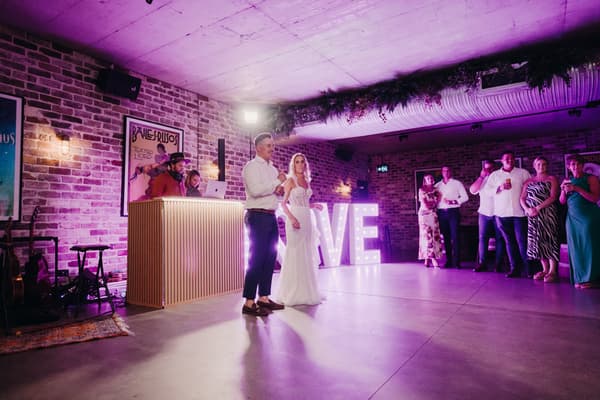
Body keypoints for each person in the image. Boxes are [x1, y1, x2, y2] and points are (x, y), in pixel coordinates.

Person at [241, 133, 287, 316]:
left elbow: (276, 192)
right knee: (256, 259)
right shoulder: (250, 167)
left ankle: (264, 298)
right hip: (257, 216)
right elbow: (256, 190)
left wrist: (280, 188)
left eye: (272, 145)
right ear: (258, 147)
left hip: (271, 215)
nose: (272, 148)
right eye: (268, 145)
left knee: (270, 257)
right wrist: (276, 183)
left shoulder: (273, 169)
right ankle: (249, 302)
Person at [276, 153, 324, 306]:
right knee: (295, 253)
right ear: (293, 164)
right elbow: (284, 204)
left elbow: (303, 202)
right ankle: (291, 292)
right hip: (295, 218)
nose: (300, 164)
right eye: (297, 162)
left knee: (307, 253)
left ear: (305, 164)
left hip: (307, 218)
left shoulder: (307, 181)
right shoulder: (291, 180)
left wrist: (313, 205)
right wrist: (291, 218)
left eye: (302, 162)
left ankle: (307, 291)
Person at [483, 150, 531, 278]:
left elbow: (530, 189)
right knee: (509, 242)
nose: (509, 160)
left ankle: (529, 269)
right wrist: (499, 188)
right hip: (502, 213)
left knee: (522, 241)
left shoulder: (523, 173)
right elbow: (487, 192)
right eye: (506, 158)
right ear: (502, 161)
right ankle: (515, 268)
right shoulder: (495, 175)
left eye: (511, 158)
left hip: (519, 213)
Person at [559, 154, 600, 289]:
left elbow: (594, 198)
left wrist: (577, 189)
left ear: (583, 166)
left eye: (578, 164)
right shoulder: (567, 180)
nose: (575, 167)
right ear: (569, 167)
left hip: (588, 217)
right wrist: (563, 191)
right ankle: (579, 278)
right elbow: (562, 201)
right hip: (572, 219)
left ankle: (591, 279)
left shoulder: (591, 178)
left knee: (589, 247)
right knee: (575, 248)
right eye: (572, 165)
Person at [520, 156, 560, 282]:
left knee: (549, 239)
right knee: (537, 241)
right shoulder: (528, 181)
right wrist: (527, 209)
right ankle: (544, 269)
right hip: (532, 216)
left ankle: (552, 271)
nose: (541, 167)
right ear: (534, 166)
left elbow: (553, 197)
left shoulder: (551, 179)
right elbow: (522, 198)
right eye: (538, 164)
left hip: (547, 214)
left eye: (543, 164)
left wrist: (537, 208)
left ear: (547, 166)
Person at [470, 160, 506, 272]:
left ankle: (498, 264)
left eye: (491, 168)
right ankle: (482, 263)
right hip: (484, 213)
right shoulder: (482, 180)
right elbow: (472, 190)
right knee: (482, 238)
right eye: (486, 168)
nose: (488, 171)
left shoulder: (499, 179)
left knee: (500, 239)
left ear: (495, 169)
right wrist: (481, 177)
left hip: (498, 212)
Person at [435, 166, 468, 268]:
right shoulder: (437, 185)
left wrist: (453, 201)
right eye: (444, 170)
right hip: (441, 213)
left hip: (453, 212)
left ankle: (457, 262)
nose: (446, 172)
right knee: (446, 238)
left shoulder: (457, 183)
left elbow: (465, 197)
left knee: (455, 237)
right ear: (442, 172)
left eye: (448, 170)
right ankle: (449, 261)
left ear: (451, 171)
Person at [417, 174, 442, 268]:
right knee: (427, 236)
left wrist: (433, 204)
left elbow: (438, 201)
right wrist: (433, 203)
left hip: (433, 215)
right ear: (425, 181)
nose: (430, 179)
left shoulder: (436, 190)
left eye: (431, 178)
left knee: (434, 236)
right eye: (428, 178)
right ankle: (432, 258)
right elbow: (425, 204)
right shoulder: (421, 190)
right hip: (424, 215)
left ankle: (427, 259)